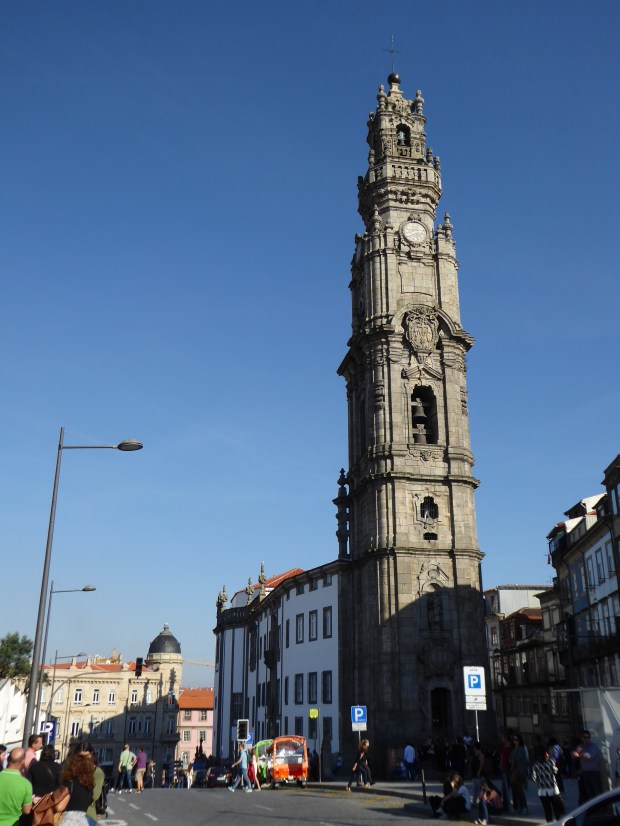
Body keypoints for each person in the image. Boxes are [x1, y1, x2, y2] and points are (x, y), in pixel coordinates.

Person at [531, 745, 566, 823]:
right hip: (552, 790)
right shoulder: (550, 763)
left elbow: (534, 779)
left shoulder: (535, 765)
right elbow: (555, 771)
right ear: (545, 754)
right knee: (556, 810)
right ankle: (559, 823)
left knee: (547, 810)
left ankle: (550, 823)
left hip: (542, 791)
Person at [60, 752, 97, 825]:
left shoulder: (69, 783)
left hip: (68, 820)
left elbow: (60, 807)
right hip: (83, 821)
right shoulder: (90, 785)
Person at [0, 749, 32, 826]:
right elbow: (27, 811)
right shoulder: (26, 784)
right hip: (12, 823)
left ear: (8, 759)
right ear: (23, 762)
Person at [572, 729, 602, 803]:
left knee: (596, 791)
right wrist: (576, 753)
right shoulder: (580, 746)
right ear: (581, 738)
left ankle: (601, 806)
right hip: (585, 772)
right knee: (589, 792)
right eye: (584, 737)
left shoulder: (593, 746)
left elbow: (589, 756)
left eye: (588, 737)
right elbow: (574, 755)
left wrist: (579, 755)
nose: (586, 739)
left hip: (593, 772)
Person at [509, 733, 529, 814]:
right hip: (514, 771)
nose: (515, 741)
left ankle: (525, 807)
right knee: (515, 790)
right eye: (514, 739)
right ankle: (520, 806)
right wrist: (512, 760)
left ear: (520, 740)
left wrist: (513, 760)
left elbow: (516, 759)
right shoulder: (514, 749)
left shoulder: (522, 749)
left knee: (520, 790)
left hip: (520, 772)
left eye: (516, 739)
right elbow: (510, 759)